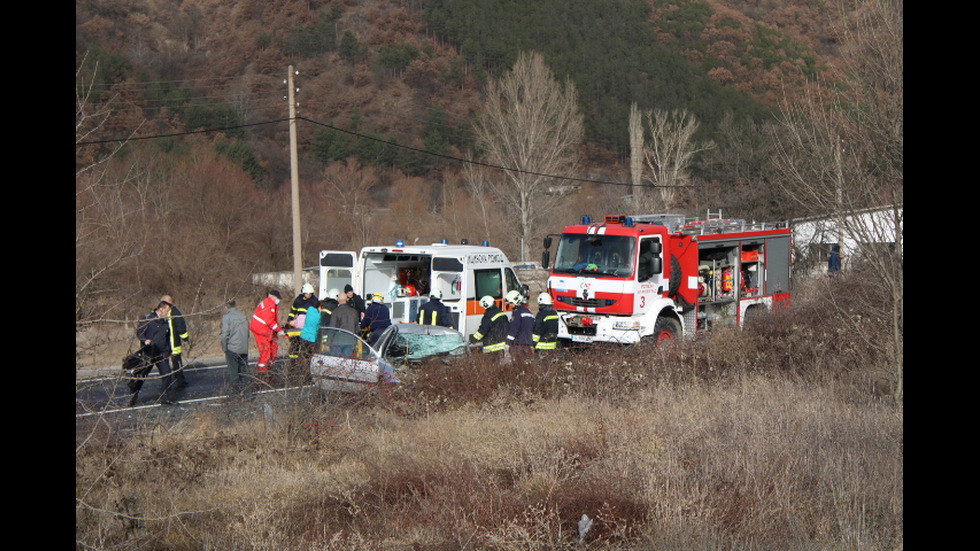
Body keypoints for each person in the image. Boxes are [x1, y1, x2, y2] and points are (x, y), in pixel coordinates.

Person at [131, 301, 178, 406]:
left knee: (167, 375)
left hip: (161, 353)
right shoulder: (149, 318)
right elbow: (140, 332)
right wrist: (145, 340)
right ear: (161, 309)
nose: (168, 312)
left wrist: (169, 351)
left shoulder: (165, 321)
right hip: (149, 353)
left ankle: (164, 398)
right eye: (167, 310)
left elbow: (167, 337)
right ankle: (133, 396)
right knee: (141, 376)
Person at [250, 289, 285, 375]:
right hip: (262, 331)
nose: (278, 300)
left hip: (266, 331)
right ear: (273, 297)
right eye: (277, 298)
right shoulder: (269, 303)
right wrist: (279, 330)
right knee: (265, 352)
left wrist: (278, 329)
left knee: (273, 349)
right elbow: (269, 320)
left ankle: (268, 369)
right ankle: (262, 372)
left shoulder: (270, 304)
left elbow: (273, 320)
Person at [220, 299, 251, 399]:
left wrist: (225, 348)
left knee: (234, 373)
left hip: (232, 348)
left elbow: (224, 335)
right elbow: (248, 333)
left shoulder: (227, 317)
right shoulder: (243, 316)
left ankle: (235, 395)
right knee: (245, 373)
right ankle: (248, 395)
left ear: (226, 307)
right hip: (243, 347)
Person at [161, 295, 190, 389]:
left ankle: (166, 383)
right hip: (174, 344)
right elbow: (180, 326)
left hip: (162, 345)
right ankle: (180, 381)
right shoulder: (175, 312)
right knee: (177, 364)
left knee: (163, 365)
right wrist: (185, 338)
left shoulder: (157, 312)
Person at [286, 283, 319, 364]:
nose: (309, 295)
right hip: (297, 325)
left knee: (307, 345)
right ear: (303, 293)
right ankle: (293, 360)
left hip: (308, 326)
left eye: (310, 293)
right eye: (307, 293)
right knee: (295, 343)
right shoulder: (298, 300)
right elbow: (293, 310)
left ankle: (307, 361)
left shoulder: (314, 301)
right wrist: (290, 321)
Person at [505, 290, 535, 361]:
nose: (510, 305)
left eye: (510, 303)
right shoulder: (529, 313)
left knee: (518, 367)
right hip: (528, 345)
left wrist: (508, 343)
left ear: (515, 302)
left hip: (518, 346)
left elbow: (514, 328)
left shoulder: (517, 313)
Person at [298, 299, 325, 364]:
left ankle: (301, 367)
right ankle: (307, 369)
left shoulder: (310, 309)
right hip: (311, 338)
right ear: (320, 307)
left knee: (302, 354)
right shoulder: (319, 316)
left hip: (303, 335)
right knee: (309, 356)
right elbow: (318, 326)